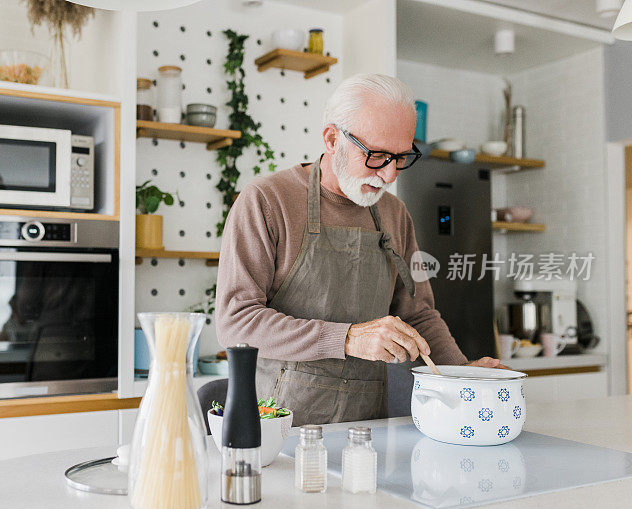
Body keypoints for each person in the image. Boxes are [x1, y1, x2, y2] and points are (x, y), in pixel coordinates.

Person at [215, 73, 505, 426]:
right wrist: (348, 338)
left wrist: (461, 375)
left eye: (401, 157)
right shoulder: (266, 201)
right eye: (377, 156)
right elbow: (236, 322)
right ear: (332, 138)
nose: (389, 176)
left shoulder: (395, 214)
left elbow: (418, 315)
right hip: (280, 425)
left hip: (367, 427)